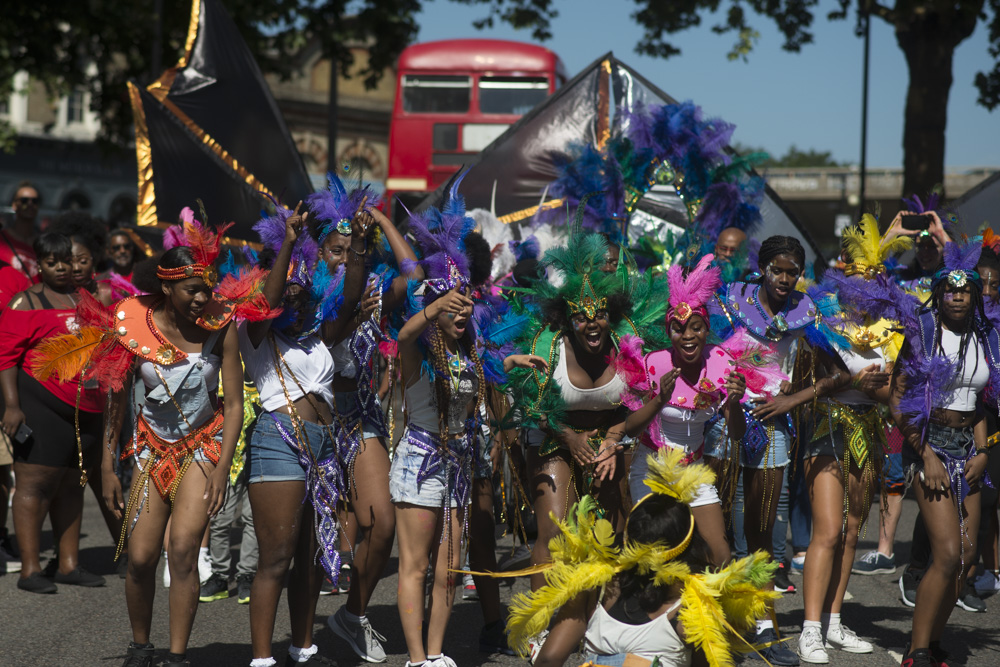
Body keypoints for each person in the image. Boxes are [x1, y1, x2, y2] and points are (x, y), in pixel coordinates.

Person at [35, 212, 255, 667]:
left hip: (202, 447)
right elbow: (114, 398)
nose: (201, 298)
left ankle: (176, 655)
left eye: (206, 288)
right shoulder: (132, 323)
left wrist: (221, 470)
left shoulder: (222, 323)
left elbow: (233, 404)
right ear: (167, 289)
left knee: (182, 551)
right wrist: (107, 469)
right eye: (191, 290)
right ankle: (141, 646)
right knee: (138, 558)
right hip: (150, 448)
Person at [391, 187, 523, 667]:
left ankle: (435, 653)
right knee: (417, 565)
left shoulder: (469, 351)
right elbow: (405, 333)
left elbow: (485, 370)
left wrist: (512, 358)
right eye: (454, 303)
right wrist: (434, 303)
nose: (463, 308)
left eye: (467, 301)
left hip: (458, 465)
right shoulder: (416, 354)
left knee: (449, 568)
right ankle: (413, 657)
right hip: (420, 463)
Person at [503, 232, 670, 602]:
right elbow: (534, 408)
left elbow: (636, 405)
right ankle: (541, 628)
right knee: (553, 532)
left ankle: (601, 625)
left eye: (600, 316)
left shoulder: (628, 346)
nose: (592, 324)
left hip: (612, 440)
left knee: (607, 536)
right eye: (581, 317)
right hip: (555, 437)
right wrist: (568, 437)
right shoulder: (547, 346)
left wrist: (612, 442)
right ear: (568, 319)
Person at [508, 447, 779, 667]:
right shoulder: (691, 607)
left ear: (628, 539)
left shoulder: (595, 589)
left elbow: (549, 659)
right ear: (687, 545)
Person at [795, 215, 918, 663]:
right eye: (858, 288)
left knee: (850, 533)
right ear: (845, 287)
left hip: (868, 431)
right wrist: (858, 381)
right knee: (826, 531)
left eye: (874, 290)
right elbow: (821, 379)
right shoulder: (822, 323)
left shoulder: (892, 334)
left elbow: (892, 392)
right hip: (827, 427)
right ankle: (808, 629)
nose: (865, 297)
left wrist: (874, 388)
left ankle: (832, 621)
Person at [309, 176, 414, 662]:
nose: (345, 257)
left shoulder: (374, 287)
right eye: (336, 249)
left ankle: (353, 614)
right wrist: (352, 314)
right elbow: (327, 337)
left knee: (382, 523)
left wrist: (385, 220)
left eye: (354, 249)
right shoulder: (303, 294)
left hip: (361, 415)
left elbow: (413, 275)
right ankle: (299, 640)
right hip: (309, 420)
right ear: (320, 253)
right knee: (310, 536)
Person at [704, 234, 820, 667]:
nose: (785, 278)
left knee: (763, 530)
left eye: (793, 271)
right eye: (778, 270)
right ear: (763, 267)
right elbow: (706, 348)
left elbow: (829, 371)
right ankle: (715, 623)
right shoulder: (731, 300)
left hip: (773, 423)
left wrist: (794, 390)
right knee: (716, 529)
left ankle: (764, 623)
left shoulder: (807, 312)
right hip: (722, 419)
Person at [891, 237, 999, 667]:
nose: (958, 296)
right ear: (939, 292)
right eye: (950, 289)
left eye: (966, 289)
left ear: (975, 294)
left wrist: (983, 451)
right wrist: (926, 454)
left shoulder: (987, 338)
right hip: (928, 444)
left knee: (968, 558)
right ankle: (915, 651)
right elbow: (898, 402)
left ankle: (933, 643)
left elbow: (980, 403)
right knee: (948, 553)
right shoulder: (922, 333)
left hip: (969, 450)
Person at [617, 254, 759, 568]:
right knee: (651, 556)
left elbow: (736, 433)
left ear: (706, 330)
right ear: (669, 332)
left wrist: (733, 403)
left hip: (693, 469)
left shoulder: (721, 361)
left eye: (696, 328)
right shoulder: (654, 363)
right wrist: (658, 399)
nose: (688, 336)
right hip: (652, 467)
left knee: (719, 555)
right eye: (678, 329)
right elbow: (630, 428)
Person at [0, 232, 106, 593]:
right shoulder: (25, 302)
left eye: (67, 261)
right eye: (52, 262)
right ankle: (30, 570)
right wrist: (12, 406)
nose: (62, 268)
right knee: (35, 484)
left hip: (86, 408)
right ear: (40, 265)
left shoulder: (86, 299)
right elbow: (6, 358)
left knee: (72, 486)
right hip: (40, 404)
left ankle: (68, 564)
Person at [1, 181, 41, 280]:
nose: (30, 204)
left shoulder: (43, 243)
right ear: (14, 205)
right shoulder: (1, 239)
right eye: (24, 200)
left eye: (34, 201)